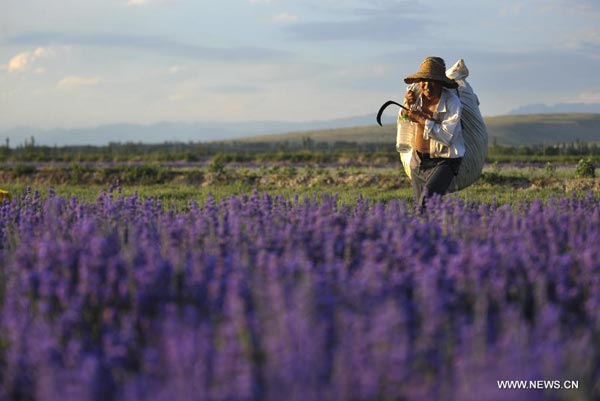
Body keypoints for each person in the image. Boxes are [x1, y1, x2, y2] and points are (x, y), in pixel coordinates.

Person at [400, 56, 465, 210]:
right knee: (422, 206)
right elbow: (404, 119)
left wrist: (420, 118)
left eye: (432, 81)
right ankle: (434, 231)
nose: (427, 85)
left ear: (441, 83)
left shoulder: (452, 103)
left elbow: (447, 137)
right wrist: (407, 106)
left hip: (444, 161)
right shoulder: (415, 98)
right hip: (418, 161)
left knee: (425, 203)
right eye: (424, 80)